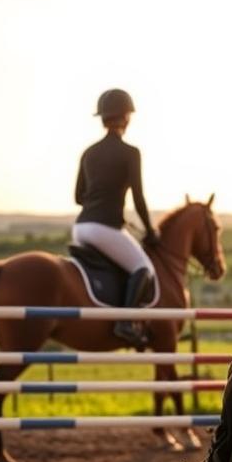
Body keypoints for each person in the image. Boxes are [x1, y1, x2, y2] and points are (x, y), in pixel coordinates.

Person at [73, 89, 158, 347]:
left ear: (103, 118)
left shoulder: (88, 152)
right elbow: (139, 198)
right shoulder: (131, 152)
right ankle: (124, 323)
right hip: (104, 228)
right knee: (144, 269)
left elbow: (78, 197)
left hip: (80, 227)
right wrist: (151, 231)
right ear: (126, 117)